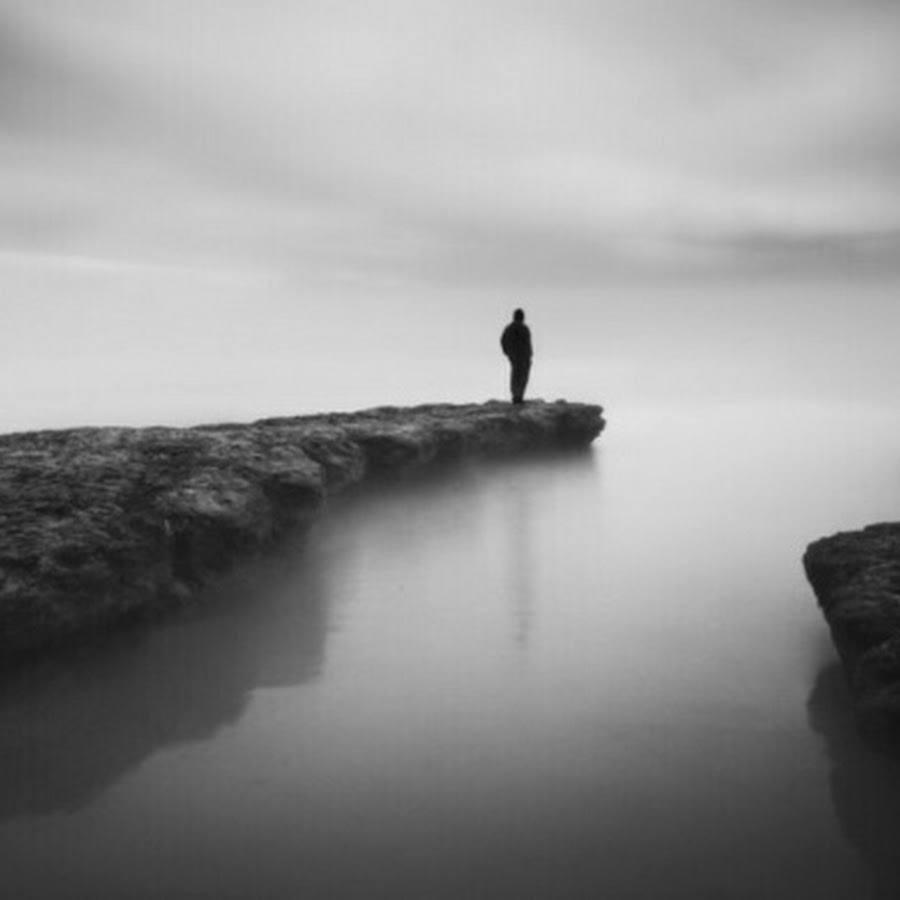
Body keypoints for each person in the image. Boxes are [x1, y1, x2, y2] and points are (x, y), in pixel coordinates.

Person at [500, 308, 532, 404]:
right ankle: (518, 396)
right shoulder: (523, 328)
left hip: (515, 356)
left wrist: (507, 352)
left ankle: (516, 396)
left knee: (515, 376)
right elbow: (528, 343)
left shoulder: (509, 328)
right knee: (521, 376)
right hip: (522, 357)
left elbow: (503, 341)